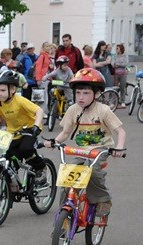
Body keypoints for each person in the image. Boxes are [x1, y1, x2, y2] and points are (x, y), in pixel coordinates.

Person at [43, 68, 126, 218]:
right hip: (81, 151)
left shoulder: (103, 110)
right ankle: (64, 215)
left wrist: (118, 148)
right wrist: (54, 141)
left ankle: (103, 200)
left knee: (92, 170)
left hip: (100, 149)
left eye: (86, 93)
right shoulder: (73, 110)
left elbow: (121, 131)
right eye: (78, 93)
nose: (81, 97)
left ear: (97, 94)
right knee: (67, 179)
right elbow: (66, 132)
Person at [0, 70, 45, 183]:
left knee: (25, 149)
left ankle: (40, 167)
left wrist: (36, 126)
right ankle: (12, 186)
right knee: (9, 158)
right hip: (13, 133)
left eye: (3, 90)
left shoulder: (20, 101)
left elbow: (39, 111)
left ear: (13, 89)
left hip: (28, 130)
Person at [112, 44, 129, 108]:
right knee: (115, 88)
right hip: (116, 74)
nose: (116, 49)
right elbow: (113, 64)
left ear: (121, 49)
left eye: (117, 48)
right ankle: (114, 102)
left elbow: (125, 64)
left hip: (123, 74)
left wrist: (118, 65)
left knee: (122, 88)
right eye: (116, 48)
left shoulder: (125, 55)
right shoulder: (114, 55)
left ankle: (123, 102)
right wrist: (120, 64)